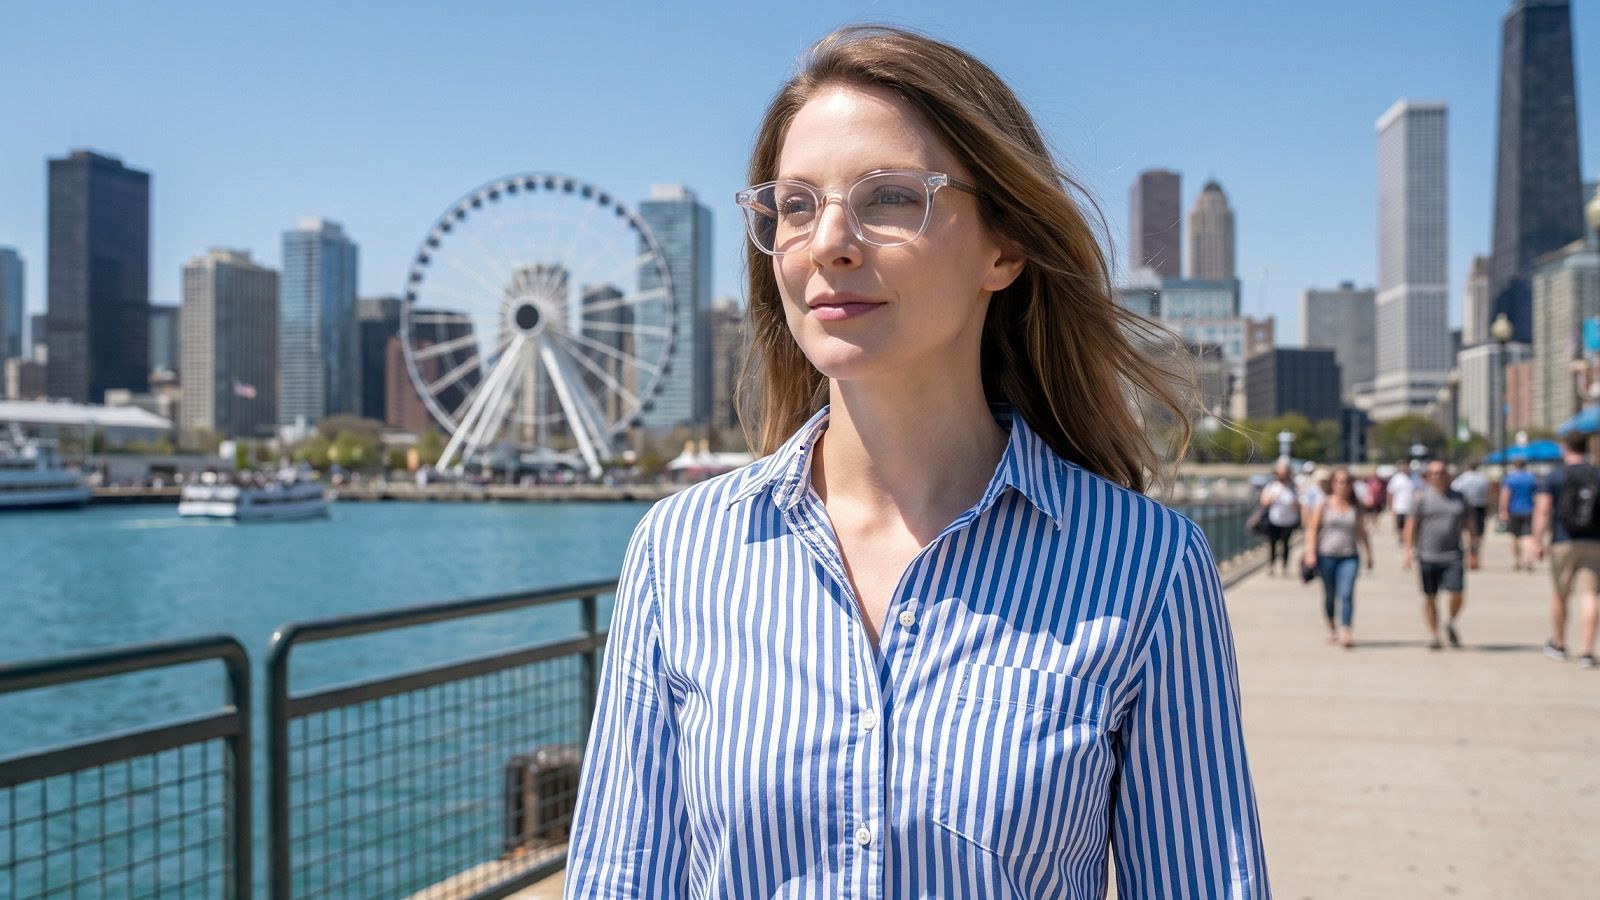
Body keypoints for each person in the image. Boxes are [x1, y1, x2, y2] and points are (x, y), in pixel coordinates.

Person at [564, 26, 1268, 899]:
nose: (829, 243)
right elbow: (620, 879)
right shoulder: (681, 557)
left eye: (892, 198)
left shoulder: (1147, 569)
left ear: (1004, 249)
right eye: (793, 205)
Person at [1531, 432, 1600, 668]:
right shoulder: (1596, 474)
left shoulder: (1555, 476)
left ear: (1564, 448)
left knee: (1560, 594)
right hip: (1594, 541)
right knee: (1590, 595)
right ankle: (1587, 651)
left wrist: (1537, 541)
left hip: (1563, 540)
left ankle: (1560, 644)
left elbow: (1542, 510)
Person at [1404, 461, 1479, 650]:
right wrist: (1408, 550)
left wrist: (1474, 550)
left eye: (1441, 472)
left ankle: (1450, 622)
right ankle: (1434, 634)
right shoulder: (1420, 497)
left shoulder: (1459, 498)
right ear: (1428, 476)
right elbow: (1411, 524)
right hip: (1427, 555)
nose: (1438, 476)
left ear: (1448, 475)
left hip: (1453, 555)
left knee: (1457, 593)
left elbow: (1470, 524)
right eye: (1434, 473)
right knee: (1430, 597)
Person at [1303, 468, 1375, 647]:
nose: (1343, 485)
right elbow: (1312, 529)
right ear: (1333, 484)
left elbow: (1362, 531)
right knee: (1330, 594)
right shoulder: (1324, 504)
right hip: (1326, 555)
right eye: (1339, 481)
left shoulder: (1355, 507)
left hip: (1349, 556)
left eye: (1346, 482)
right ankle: (1331, 627)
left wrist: (1369, 553)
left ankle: (1345, 629)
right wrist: (1310, 552)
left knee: (1347, 593)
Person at [1260, 461, 1302, 577]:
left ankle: (1284, 566)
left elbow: (1300, 503)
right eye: (1279, 474)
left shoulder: (1293, 486)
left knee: (1286, 543)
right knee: (1272, 543)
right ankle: (1271, 565)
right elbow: (1264, 502)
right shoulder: (1271, 485)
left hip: (1289, 520)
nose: (1282, 476)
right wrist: (1273, 498)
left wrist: (1294, 503)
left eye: (1284, 473)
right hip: (1274, 519)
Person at [1500, 458, 1538, 570]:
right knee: (1528, 536)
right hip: (1529, 510)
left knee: (1514, 536)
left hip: (1513, 510)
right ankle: (1528, 560)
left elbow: (1505, 496)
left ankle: (1517, 561)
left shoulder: (1510, 479)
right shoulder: (1531, 478)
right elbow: (1536, 495)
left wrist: (1503, 511)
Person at [1452, 460, 1490, 568]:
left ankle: (1469, 557)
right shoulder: (1483, 479)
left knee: (1466, 533)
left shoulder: (1462, 479)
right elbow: (1488, 494)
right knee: (1477, 534)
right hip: (1480, 507)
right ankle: (1475, 556)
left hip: (1465, 507)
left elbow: (1455, 491)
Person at [1388, 461, 1417, 545]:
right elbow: (1390, 492)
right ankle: (1402, 539)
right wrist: (1391, 505)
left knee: (1410, 525)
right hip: (1400, 507)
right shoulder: (1397, 478)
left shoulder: (1414, 478)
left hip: (1411, 507)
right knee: (1400, 526)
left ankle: (1408, 540)